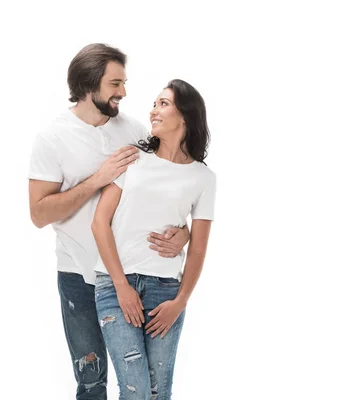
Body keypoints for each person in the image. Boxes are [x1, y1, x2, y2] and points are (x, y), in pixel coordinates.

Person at [28, 44, 190, 400]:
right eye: (115, 83)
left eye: (124, 82)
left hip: (136, 276)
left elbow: (170, 192)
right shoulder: (52, 138)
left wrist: (185, 233)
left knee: (142, 385)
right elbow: (39, 214)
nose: (124, 92)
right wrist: (97, 179)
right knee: (91, 382)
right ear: (89, 84)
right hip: (79, 277)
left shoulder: (134, 131)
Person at [91, 79, 215, 400]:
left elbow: (198, 246)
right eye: (154, 104)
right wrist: (121, 285)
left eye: (163, 104)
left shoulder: (203, 178)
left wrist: (180, 302)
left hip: (166, 292)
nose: (153, 111)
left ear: (185, 115)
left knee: (160, 393)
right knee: (137, 391)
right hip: (116, 286)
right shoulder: (132, 159)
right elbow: (99, 223)